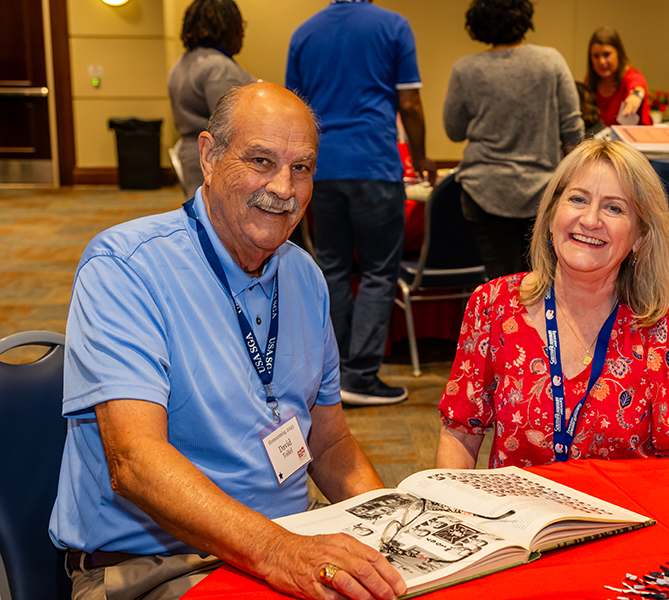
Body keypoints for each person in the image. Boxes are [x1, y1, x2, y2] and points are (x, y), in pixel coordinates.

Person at [49, 82, 406, 600]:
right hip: (155, 564)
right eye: (261, 160)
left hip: (286, 539)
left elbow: (328, 443)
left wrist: (396, 530)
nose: (284, 188)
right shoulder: (126, 267)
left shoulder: (303, 275)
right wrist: (279, 551)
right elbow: (134, 462)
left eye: (301, 168)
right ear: (209, 157)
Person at [435, 139, 669, 469]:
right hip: (515, 517)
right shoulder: (493, 306)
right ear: (553, 211)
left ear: (640, 236)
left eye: (614, 208)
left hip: (625, 519)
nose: (590, 219)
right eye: (578, 199)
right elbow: (459, 433)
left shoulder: (663, 332)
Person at [286, 0, 437, 406]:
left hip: (323, 170)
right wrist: (422, 158)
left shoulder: (304, 33)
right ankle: (361, 376)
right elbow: (409, 103)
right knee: (377, 271)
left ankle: (331, 376)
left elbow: (294, 110)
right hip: (374, 164)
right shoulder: (393, 26)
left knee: (332, 268)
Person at [443, 0, 584, 281]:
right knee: (545, 281)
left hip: (484, 190)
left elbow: (454, 130)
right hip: (542, 193)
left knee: (501, 285)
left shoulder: (465, 70)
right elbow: (573, 132)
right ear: (524, 17)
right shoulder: (551, 61)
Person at [167, 0, 255, 199]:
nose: (243, 33)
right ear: (226, 28)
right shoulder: (218, 67)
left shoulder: (182, 63)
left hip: (192, 156)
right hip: (216, 160)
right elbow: (236, 123)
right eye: (240, 25)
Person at [585, 26, 652, 127]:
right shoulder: (589, 81)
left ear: (618, 53)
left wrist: (635, 96)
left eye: (606, 54)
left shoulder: (631, 76)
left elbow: (638, 86)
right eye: (596, 56)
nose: (601, 61)